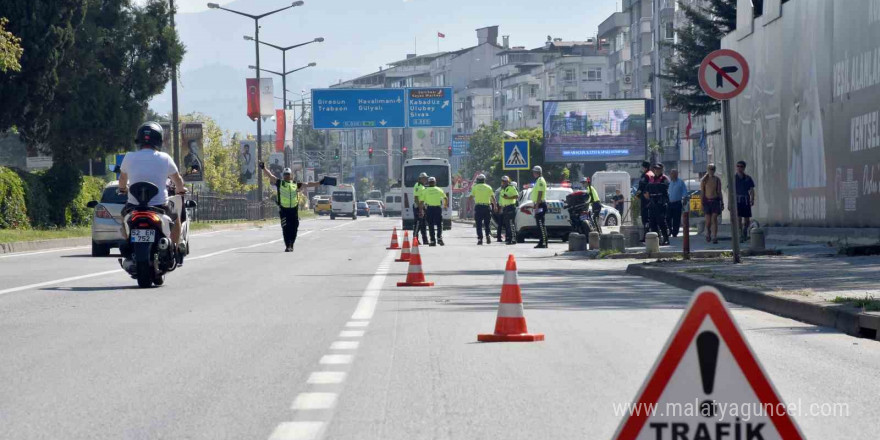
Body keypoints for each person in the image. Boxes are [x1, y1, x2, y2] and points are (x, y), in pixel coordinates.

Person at [118, 122, 188, 263]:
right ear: (159, 140)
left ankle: (128, 243)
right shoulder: (165, 158)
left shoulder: (129, 157)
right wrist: (180, 190)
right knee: (175, 219)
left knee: (123, 218)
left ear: (139, 140)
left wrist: (122, 189)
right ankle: (174, 249)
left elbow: (122, 179)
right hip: (159, 205)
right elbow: (177, 179)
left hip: (134, 205)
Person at [260, 162, 322, 252]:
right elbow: (270, 176)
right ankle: (288, 245)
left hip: (293, 210)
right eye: (285, 174)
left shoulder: (295, 184)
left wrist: (320, 182)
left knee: (294, 227)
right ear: (283, 175)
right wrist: (264, 168)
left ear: (291, 176)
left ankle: (291, 244)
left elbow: (308, 184)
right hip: (284, 210)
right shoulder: (280, 183)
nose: (286, 176)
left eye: (288, 174)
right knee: (286, 228)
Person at [646, 163, 671, 245]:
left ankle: (666, 238)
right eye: (655, 169)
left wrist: (655, 186)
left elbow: (664, 187)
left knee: (661, 221)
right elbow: (647, 189)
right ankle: (656, 239)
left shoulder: (664, 178)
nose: (656, 170)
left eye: (658, 169)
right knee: (653, 222)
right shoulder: (652, 179)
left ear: (661, 169)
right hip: (653, 201)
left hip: (661, 202)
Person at [420, 176, 448, 246]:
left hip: (429, 209)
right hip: (437, 209)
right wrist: (445, 205)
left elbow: (421, 202)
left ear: (428, 183)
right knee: (439, 224)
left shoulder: (425, 191)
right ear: (435, 182)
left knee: (430, 225)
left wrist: (421, 211)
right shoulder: (439, 189)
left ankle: (432, 241)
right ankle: (439, 238)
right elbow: (445, 198)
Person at [469, 174, 496, 245]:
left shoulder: (475, 187)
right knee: (487, 223)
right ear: (484, 180)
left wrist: (470, 206)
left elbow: (470, 197)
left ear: (478, 180)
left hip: (478, 207)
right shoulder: (488, 187)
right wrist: (495, 206)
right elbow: (493, 198)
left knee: (479, 224)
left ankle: (480, 239)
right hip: (487, 207)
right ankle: (487, 236)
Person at [701, 163, 723, 244]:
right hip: (707, 202)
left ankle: (714, 236)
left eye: (713, 169)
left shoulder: (717, 179)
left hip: (715, 201)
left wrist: (722, 202)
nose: (711, 170)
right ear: (707, 170)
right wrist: (702, 203)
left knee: (714, 219)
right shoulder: (704, 180)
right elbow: (702, 192)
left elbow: (719, 191)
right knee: (708, 221)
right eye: (710, 169)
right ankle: (708, 232)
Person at [735, 160, 756, 242]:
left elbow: (751, 189)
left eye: (741, 166)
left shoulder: (748, 178)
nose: (739, 168)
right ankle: (740, 234)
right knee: (738, 218)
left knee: (747, 220)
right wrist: (730, 203)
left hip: (746, 200)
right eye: (738, 166)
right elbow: (730, 191)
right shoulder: (734, 178)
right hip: (737, 200)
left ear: (744, 168)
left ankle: (744, 231)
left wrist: (752, 199)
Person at [498, 176, 519, 245]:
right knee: (507, 225)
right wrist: (501, 208)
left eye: (505, 181)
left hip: (510, 207)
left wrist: (508, 197)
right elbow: (501, 200)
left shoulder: (511, 187)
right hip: (505, 208)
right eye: (503, 181)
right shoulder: (502, 189)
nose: (503, 182)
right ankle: (508, 239)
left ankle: (513, 239)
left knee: (511, 224)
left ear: (508, 181)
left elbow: (516, 196)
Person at [531, 165, 549, 248]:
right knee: (539, 224)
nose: (533, 173)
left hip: (541, 204)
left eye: (534, 172)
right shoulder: (538, 180)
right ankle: (542, 241)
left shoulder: (541, 180)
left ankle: (544, 242)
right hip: (539, 204)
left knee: (541, 224)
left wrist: (537, 205)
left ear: (537, 172)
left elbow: (540, 193)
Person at [666, 169, 687, 237]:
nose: (673, 175)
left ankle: (675, 232)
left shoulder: (681, 182)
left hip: (677, 203)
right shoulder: (669, 183)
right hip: (670, 203)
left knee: (676, 219)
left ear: (677, 174)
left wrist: (684, 198)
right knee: (668, 218)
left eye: (674, 173)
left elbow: (684, 192)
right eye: (672, 174)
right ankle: (670, 230)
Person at [635, 160, 653, 240]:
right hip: (652, 199)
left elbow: (641, 187)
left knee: (645, 218)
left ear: (645, 167)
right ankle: (651, 235)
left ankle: (646, 236)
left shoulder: (645, 175)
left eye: (642, 167)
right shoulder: (652, 174)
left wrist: (637, 195)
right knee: (651, 217)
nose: (641, 168)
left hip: (645, 199)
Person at [412, 172, 429, 245]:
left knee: (423, 224)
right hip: (418, 207)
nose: (426, 180)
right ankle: (415, 239)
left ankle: (425, 240)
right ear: (420, 179)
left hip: (422, 207)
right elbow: (416, 198)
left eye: (426, 178)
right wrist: (420, 210)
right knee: (418, 224)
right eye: (424, 178)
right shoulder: (418, 186)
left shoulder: (422, 186)